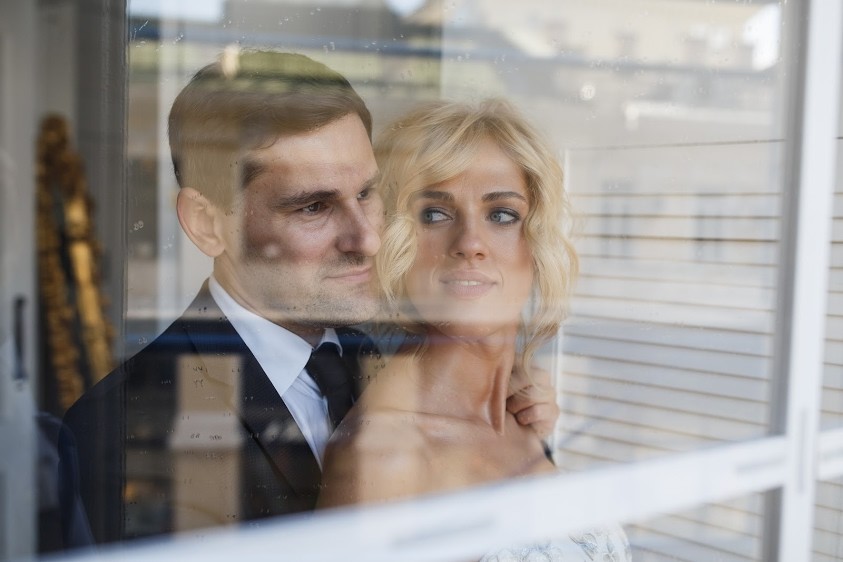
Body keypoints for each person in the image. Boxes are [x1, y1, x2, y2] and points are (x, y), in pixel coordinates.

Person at [59, 50, 558, 546]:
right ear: (207, 224)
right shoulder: (121, 430)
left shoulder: (384, 356)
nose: (367, 239)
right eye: (314, 207)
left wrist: (507, 410)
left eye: (367, 194)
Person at [317, 99, 631, 561]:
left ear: (536, 239)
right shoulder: (386, 455)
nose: (469, 244)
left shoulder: (521, 412)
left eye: (501, 214)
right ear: (394, 237)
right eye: (434, 214)